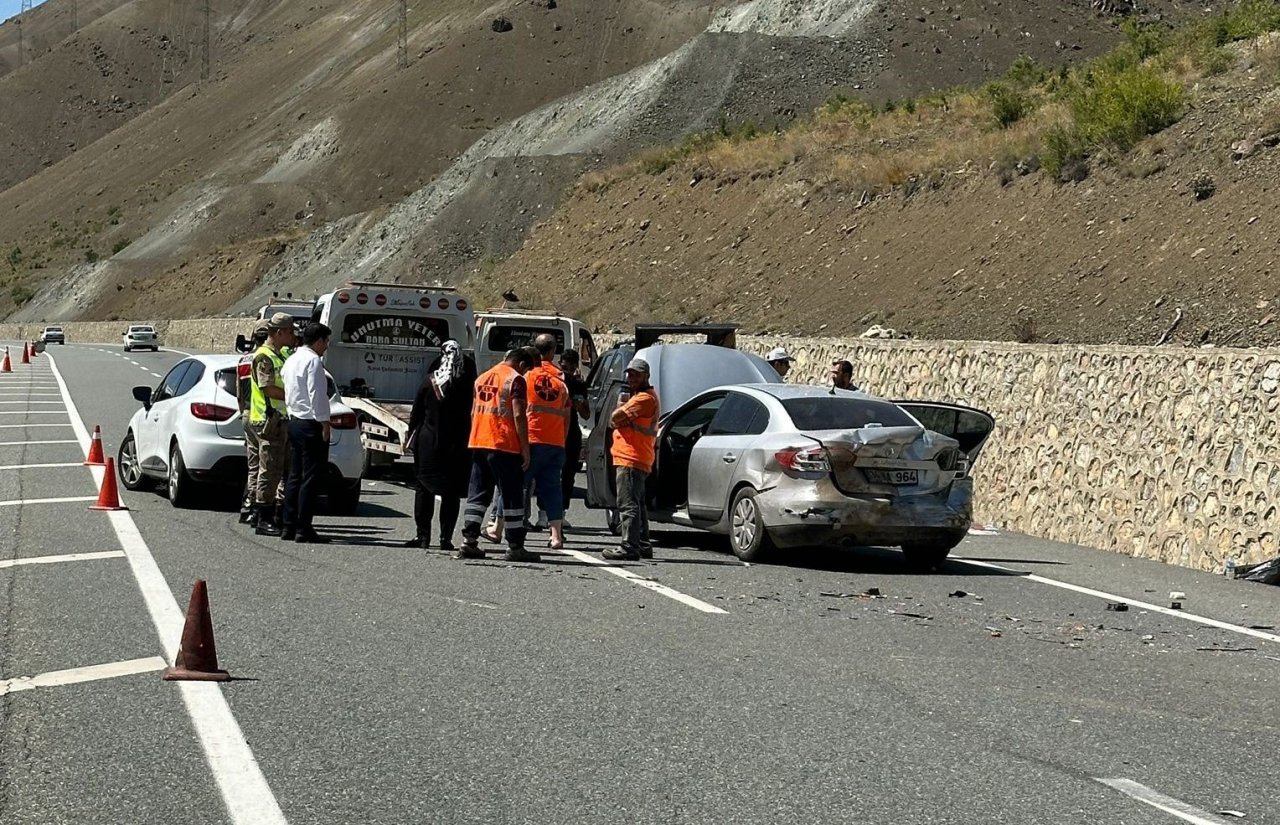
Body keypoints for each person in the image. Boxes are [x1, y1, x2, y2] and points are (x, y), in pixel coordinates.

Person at [457, 348, 538, 562]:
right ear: (522, 365)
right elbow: (519, 413)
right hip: (503, 443)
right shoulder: (515, 379)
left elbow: (474, 410)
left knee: (477, 495)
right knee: (511, 496)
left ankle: (469, 541)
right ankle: (515, 546)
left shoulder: (482, 376)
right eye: (527, 369)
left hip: (479, 441)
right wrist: (525, 448)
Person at [402, 340, 477, 552]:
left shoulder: (429, 382)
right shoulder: (468, 384)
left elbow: (416, 413)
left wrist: (410, 437)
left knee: (423, 487)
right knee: (451, 493)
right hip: (458, 443)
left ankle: (423, 536)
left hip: (429, 442)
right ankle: (446, 539)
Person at [280, 322, 333, 544]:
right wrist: (325, 423)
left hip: (294, 421)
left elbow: (285, 384)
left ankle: (288, 525)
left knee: (294, 475)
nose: (327, 346)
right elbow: (317, 395)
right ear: (319, 341)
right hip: (310, 423)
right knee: (310, 478)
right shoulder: (313, 361)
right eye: (326, 341)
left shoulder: (291, 359)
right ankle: (304, 527)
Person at [603, 357, 659, 562]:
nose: (632, 378)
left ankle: (629, 546)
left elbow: (615, 418)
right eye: (630, 374)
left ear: (646, 376)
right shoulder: (642, 397)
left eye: (636, 374)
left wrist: (619, 410)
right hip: (637, 456)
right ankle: (643, 543)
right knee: (637, 503)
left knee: (627, 504)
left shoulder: (644, 399)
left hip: (631, 456)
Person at [247, 313, 296, 536]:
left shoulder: (280, 354)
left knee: (278, 468)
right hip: (268, 420)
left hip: (279, 419)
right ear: (278, 333)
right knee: (270, 470)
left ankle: (268, 514)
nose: (293, 335)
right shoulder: (264, 357)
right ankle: (263, 517)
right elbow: (268, 388)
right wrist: (294, 396)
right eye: (289, 331)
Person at [524, 334, 571, 549]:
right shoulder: (560, 381)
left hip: (531, 439)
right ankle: (556, 536)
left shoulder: (527, 377)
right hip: (555, 443)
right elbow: (567, 416)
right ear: (553, 351)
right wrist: (562, 439)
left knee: (518, 486)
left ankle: (505, 527)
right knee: (553, 490)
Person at [238, 321, 270, 525]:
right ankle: (261, 507)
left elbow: (239, 394)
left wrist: (243, 412)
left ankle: (247, 505)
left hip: (247, 413)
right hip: (265, 416)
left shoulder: (243, 360)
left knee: (253, 465)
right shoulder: (268, 359)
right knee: (268, 466)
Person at [559, 349, 590, 525]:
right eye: (564, 367)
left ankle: (562, 512)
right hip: (554, 430)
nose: (567, 371)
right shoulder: (554, 380)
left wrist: (579, 405)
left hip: (571, 431)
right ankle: (544, 514)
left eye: (570, 368)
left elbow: (586, 414)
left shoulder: (578, 385)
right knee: (550, 474)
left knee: (569, 472)